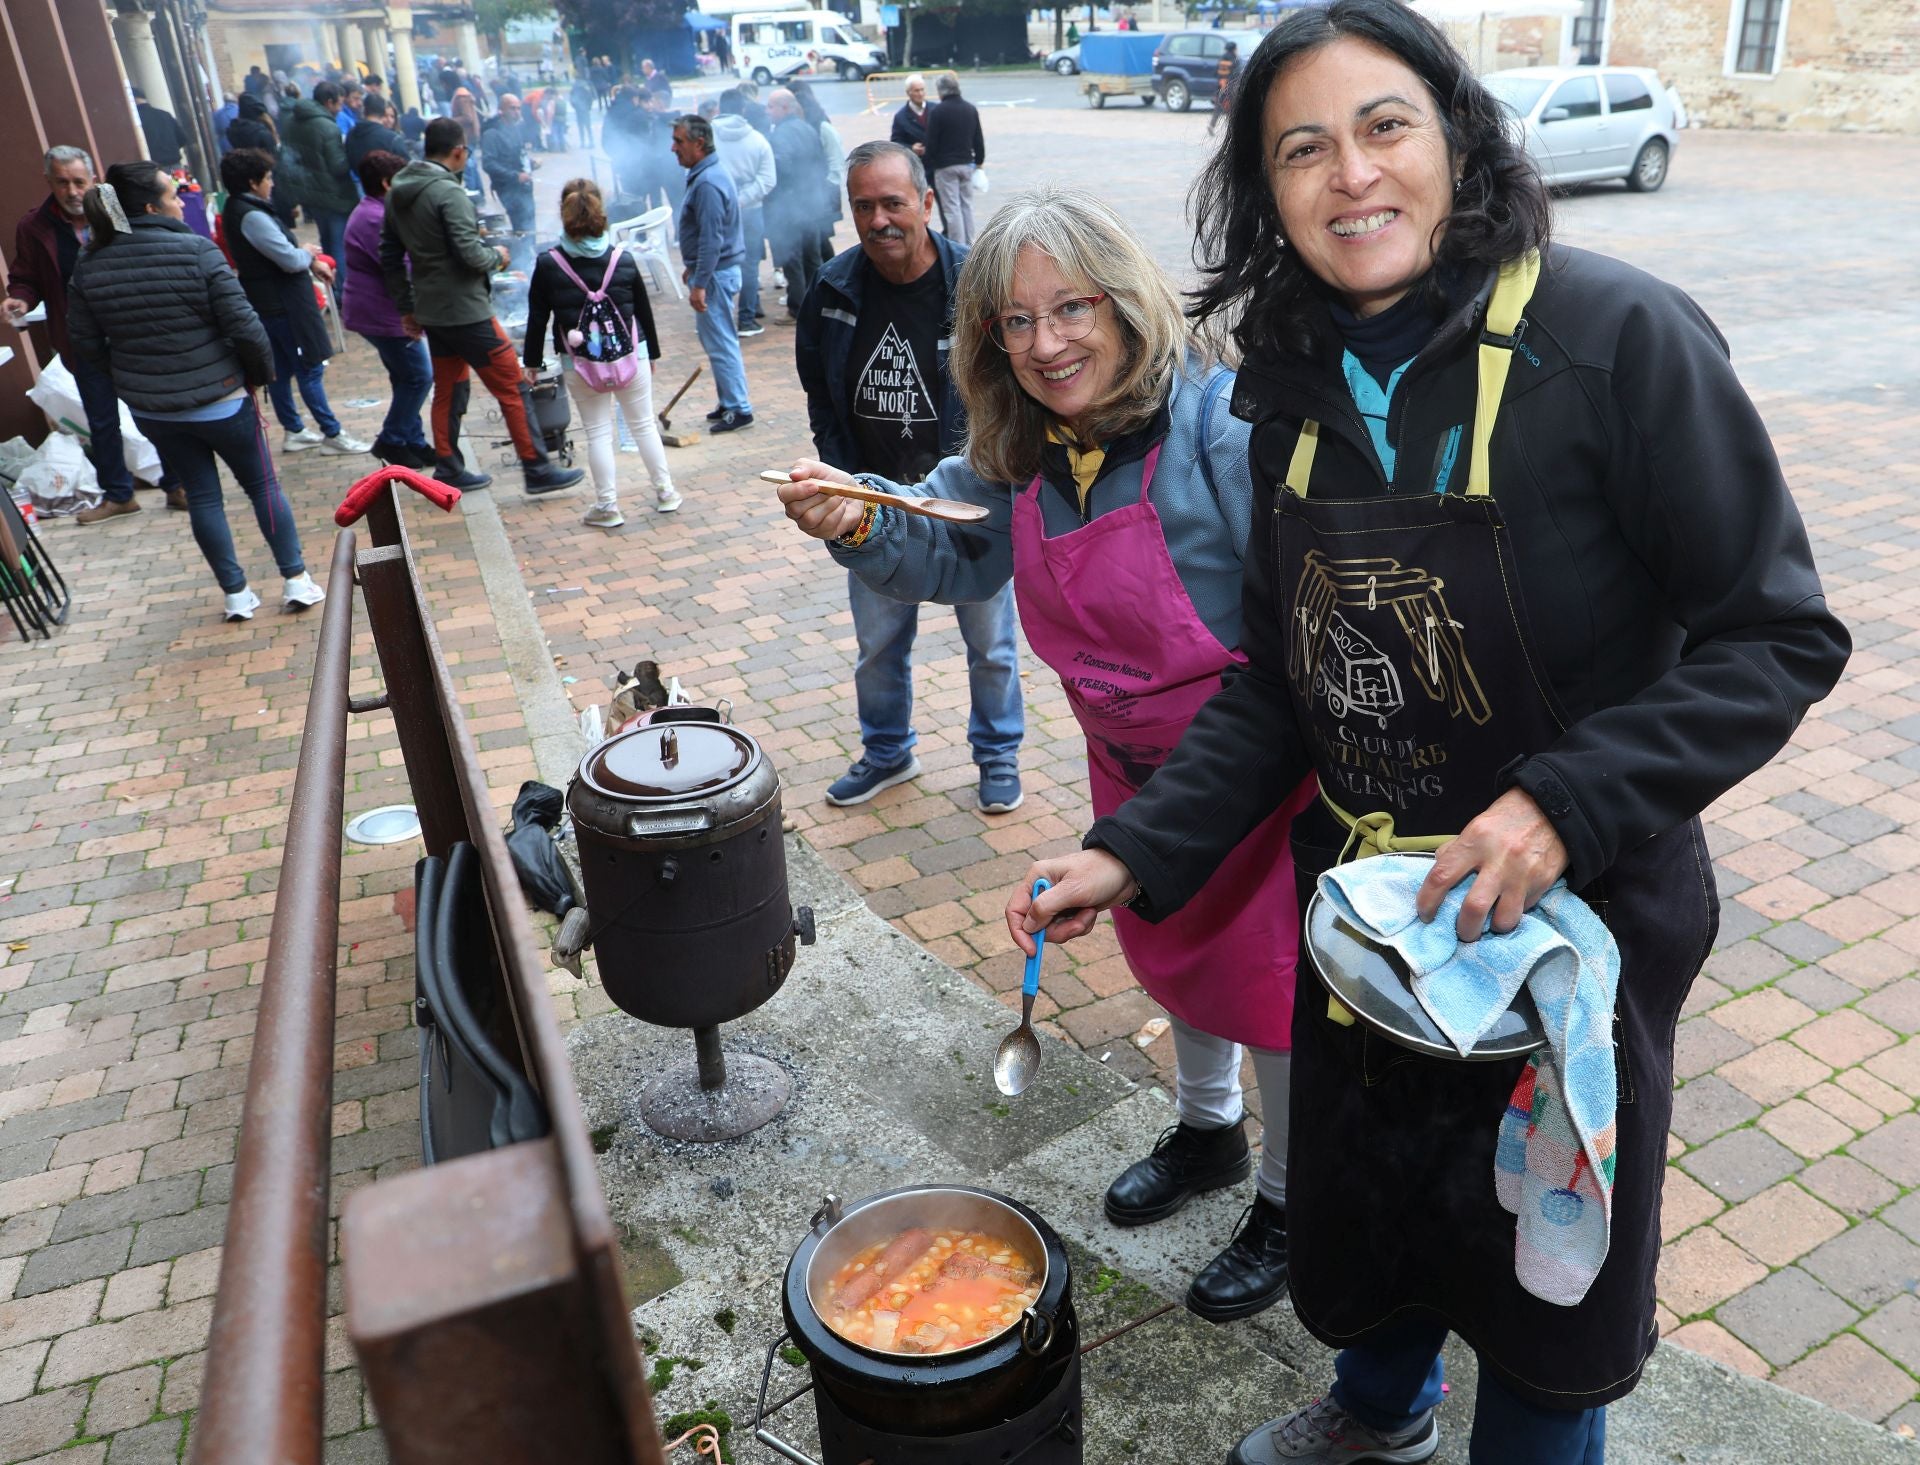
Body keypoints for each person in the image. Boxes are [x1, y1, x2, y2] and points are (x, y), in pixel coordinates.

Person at [1008, 4, 1851, 1462]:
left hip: (1571, 931)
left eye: (1384, 126)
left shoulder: (1616, 340)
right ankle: (1381, 1414)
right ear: (1263, 192)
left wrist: (1563, 803)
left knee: (1547, 1291)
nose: (1352, 176)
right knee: (1375, 1212)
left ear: (1456, 136)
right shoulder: (1284, 394)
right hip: (1368, 924)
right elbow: (1282, 679)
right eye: (1302, 149)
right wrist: (1133, 852)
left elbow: (1778, 633)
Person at [792, 142, 1028, 815]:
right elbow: (819, 388)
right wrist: (842, 478)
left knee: (990, 645)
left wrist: (990, 477)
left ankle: (998, 755)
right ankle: (888, 751)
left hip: (965, 501)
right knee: (877, 646)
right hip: (876, 502)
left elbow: (1012, 386)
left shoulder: (975, 284)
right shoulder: (833, 290)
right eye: (862, 206)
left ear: (926, 202)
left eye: (893, 202)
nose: (878, 220)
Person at [67, 162, 325, 621]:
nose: (181, 202)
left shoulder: (91, 262)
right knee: (262, 484)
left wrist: (130, 376)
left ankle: (236, 594)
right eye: (173, 195)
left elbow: (85, 343)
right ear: (150, 207)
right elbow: (245, 327)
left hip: (156, 409)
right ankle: (296, 579)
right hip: (222, 398)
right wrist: (258, 376)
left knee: (203, 496)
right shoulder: (196, 251)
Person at [381, 116, 585, 494]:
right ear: (458, 151)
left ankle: (448, 466)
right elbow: (470, 255)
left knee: (450, 388)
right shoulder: (448, 193)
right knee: (513, 386)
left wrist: (407, 307)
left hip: (432, 310)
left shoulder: (398, 192)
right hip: (466, 311)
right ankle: (537, 468)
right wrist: (498, 257)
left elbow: (390, 256)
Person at [3, 146, 185, 522]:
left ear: (94, 180)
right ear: (48, 181)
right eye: (62, 182)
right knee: (102, 421)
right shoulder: (35, 225)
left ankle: (176, 483)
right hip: (80, 340)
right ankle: (119, 495)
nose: (71, 191)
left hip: (129, 333)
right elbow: (26, 278)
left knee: (151, 411)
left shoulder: (114, 215)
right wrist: (18, 300)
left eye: (79, 182)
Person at [522, 178, 677, 528]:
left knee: (597, 432)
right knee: (643, 425)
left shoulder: (549, 263)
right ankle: (666, 492)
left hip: (580, 364)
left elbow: (537, 317)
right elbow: (642, 311)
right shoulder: (623, 258)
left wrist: (532, 362)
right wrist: (650, 352)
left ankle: (608, 506)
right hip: (630, 358)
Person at [219, 148, 370, 458]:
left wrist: (305, 256)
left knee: (283, 369)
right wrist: (309, 254)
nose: (271, 183)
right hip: (282, 302)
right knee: (309, 368)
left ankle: (295, 430)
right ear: (252, 181)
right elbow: (287, 260)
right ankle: (332, 432)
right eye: (268, 177)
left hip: (270, 302)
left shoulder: (244, 209)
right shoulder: (251, 214)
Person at [342, 150, 433, 468]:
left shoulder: (377, 211)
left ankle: (414, 440)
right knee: (419, 377)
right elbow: (400, 263)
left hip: (380, 308)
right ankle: (391, 440)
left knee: (405, 377)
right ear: (385, 183)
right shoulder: (374, 217)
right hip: (381, 311)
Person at [671, 113, 752, 433]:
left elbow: (711, 238)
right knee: (718, 341)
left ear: (698, 143)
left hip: (716, 275)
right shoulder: (707, 174)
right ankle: (729, 401)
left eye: (679, 141)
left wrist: (699, 282)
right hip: (716, 272)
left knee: (721, 343)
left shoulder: (707, 181)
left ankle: (739, 408)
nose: (673, 148)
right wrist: (693, 268)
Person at [714, 88, 775, 338]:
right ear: (743, 110)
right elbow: (768, 179)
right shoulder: (758, 140)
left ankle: (718, 319)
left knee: (715, 263)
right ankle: (747, 319)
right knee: (749, 265)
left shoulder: (704, 137)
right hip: (750, 210)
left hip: (715, 210)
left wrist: (724, 199)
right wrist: (743, 198)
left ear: (719, 108)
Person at [764, 87, 829, 321]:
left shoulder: (781, 134)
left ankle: (799, 308)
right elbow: (821, 163)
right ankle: (816, 304)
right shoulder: (807, 128)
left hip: (792, 204)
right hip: (810, 201)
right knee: (812, 255)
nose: (768, 111)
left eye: (771, 106)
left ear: (784, 107)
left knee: (794, 257)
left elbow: (782, 169)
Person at [284, 80, 358, 285]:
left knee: (326, 241)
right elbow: (338, 166)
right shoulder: (327, 126)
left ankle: (333, 288)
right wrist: (350, 154)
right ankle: (342, 290)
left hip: (310, 193)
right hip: (334, 195)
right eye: (339, 103)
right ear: (329, 102)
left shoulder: (293, 121)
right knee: (339, 246)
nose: (340, 108)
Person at [922, 74, 984, 245]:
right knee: (967, 206)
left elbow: (931, 142)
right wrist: (979, 162)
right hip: (966, 164)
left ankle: (957, 245)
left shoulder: (938, 112)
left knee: (952, 208)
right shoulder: (970, 109)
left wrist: (929, 164)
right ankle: (970, 244)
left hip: (945, 166)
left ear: (941, 91)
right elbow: (978, 139)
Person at [789, 81, 844, 272]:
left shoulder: (822, 126)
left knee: (820, 239)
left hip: (822, 194)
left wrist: (824, 189)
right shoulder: (801, 127)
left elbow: (836, 162)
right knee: (817, 239)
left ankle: (833, 274)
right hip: (809, 194)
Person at [482, 95, 536, 232]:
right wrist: (515, 175)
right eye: (512, 108)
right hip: (508, 188)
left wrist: (530, 163)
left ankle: (530, 250)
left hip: (523, 186)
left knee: (529, 223)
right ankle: (523, 251)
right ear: (501, 110)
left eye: (518, 108)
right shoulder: (491, 134)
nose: (517, 112)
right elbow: (488, 163)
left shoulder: (515, 130)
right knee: (522, 225)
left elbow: (515, 156)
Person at [347, 92, 411, 173]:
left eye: (392, 116)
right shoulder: (392, 138)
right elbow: (407, 168)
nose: (389, 120)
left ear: (364, 111)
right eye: (386, 116)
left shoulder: (350, 135)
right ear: (382, 112)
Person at [132, 87, 185, 169]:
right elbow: (182, 139)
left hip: (154, 170)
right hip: (176, 167)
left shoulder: (135, 120)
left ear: (133, 99)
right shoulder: (165, 114)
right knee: (179, 182)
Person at [890, 73, 930, 157]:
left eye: (922, 90)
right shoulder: (900, 117)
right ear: (908, 92)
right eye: (916, 90)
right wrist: (911, 148)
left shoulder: (936, 110)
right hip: (916, 162)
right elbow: (895, 143)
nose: (920, 94)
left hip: (937, 162)